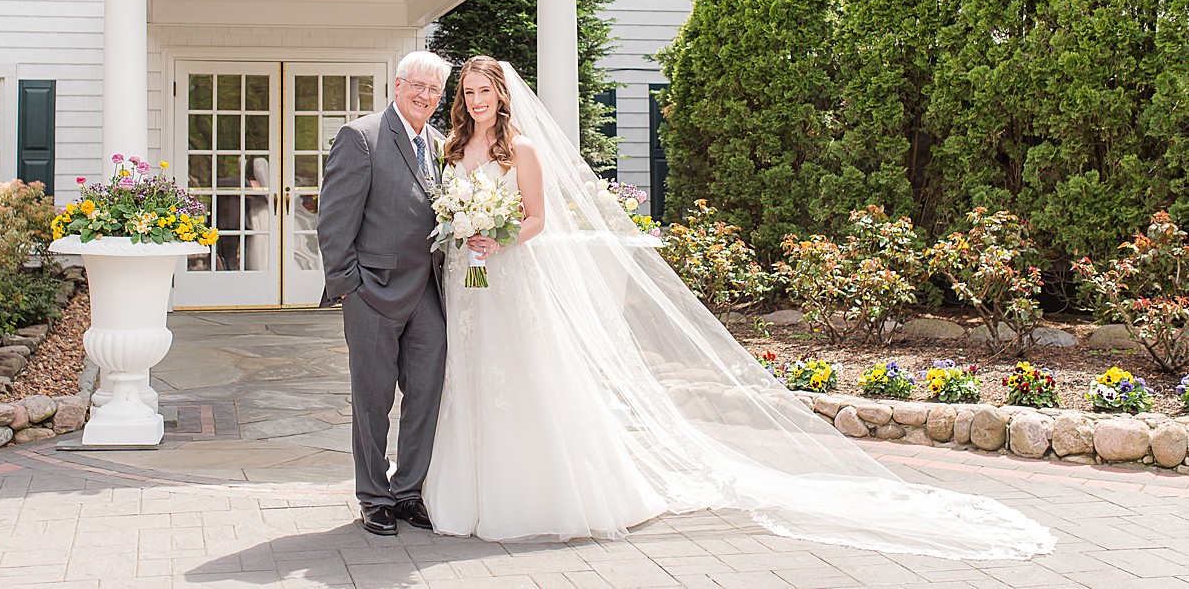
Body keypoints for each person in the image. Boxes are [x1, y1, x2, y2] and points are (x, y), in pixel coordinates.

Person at [423, 55, 1056, 559]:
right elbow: (447, 210)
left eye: (486, 92)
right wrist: (462, 231)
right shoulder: (453, 151)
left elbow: (536, 221)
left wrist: (498, 235)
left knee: (522, 378)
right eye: (470, 94)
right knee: (470, 378)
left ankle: (534, 496)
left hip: (511, 281)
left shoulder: (522, 152)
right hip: (468, 283)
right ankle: (463, 495)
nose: (477, 103)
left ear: (503, 96)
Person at [319, 50, 452, 537]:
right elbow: (334, 222)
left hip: (427, 295)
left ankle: (408, 491)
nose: (425, 95)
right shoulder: (363, 136)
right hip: (372, 290)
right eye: (417, 85)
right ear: (397, 85)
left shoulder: (440, 146)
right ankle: (373, 495)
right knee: (372, 401)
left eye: (434, 90)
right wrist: (350, 286)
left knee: (426, 394)